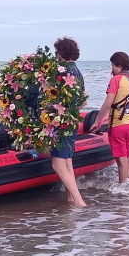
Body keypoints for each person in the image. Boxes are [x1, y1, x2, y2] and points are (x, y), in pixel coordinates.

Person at [90, 52, 129, 184]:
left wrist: (97, 121)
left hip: (118, 125)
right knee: (128, 158)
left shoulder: (116, 80)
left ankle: (122, 192)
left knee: (121, 161)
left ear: (119, 65)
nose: (112, 70)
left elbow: (107, 104)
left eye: (113, 66)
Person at [51, 37, 87, 207]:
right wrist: (72, 110)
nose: (56, 55)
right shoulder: (77, 71)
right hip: (72, 121)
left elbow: (55, 97)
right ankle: (71, 200)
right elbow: (84, 100)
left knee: (58, 164)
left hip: (63, 122)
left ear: (62, 52)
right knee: (67, 162)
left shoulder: (63, 70)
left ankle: (80, 202)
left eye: (57, 52)